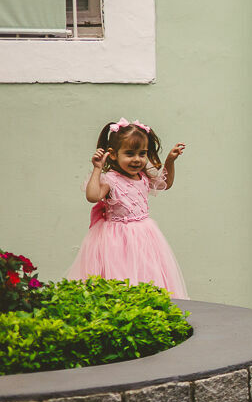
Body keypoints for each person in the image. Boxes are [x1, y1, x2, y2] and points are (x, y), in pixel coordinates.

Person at [66, 118, 189, 297]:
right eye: (130, 153)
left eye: (142, 153)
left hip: (145, 237)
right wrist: (97, 168)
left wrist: (170, 161)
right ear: (114, 154)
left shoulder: (143, 177)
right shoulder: (110, 180)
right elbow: (93, 196)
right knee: (121, 279)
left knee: (146, 276)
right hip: (116, 239)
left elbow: (166, 183)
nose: (137, 159)